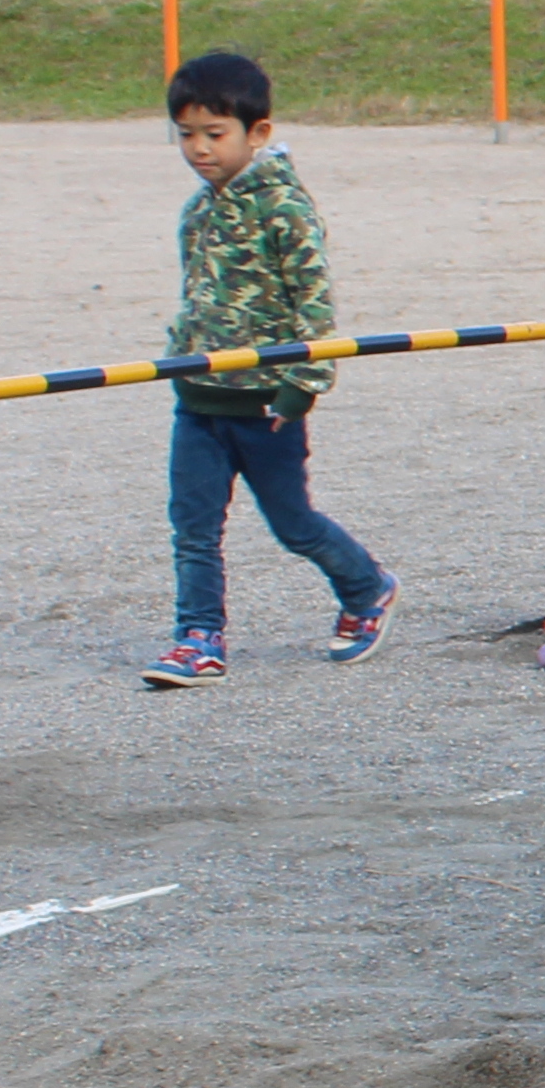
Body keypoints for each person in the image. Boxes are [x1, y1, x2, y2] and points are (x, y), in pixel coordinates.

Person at [147, 50, 396, 688]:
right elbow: (196, 296)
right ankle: (197, 637)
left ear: (257, 134)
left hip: (266, 406)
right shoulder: (198, 211)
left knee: (293, 524)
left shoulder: (284, 209)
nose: (199, 149)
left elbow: (314, 303)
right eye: (186, 135)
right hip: (199, 401)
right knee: (193, 527)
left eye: (214, 134)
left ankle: (366, 587)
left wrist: (301, 389)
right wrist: (180, 356)